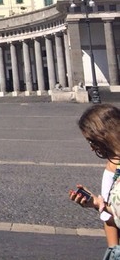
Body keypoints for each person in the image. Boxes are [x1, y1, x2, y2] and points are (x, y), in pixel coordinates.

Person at [68, 104, 120, 248]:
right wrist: (97, 204)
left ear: (103, 135)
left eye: (92, 141)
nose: (91, 148)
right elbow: (112, 217)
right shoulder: (112, 169)